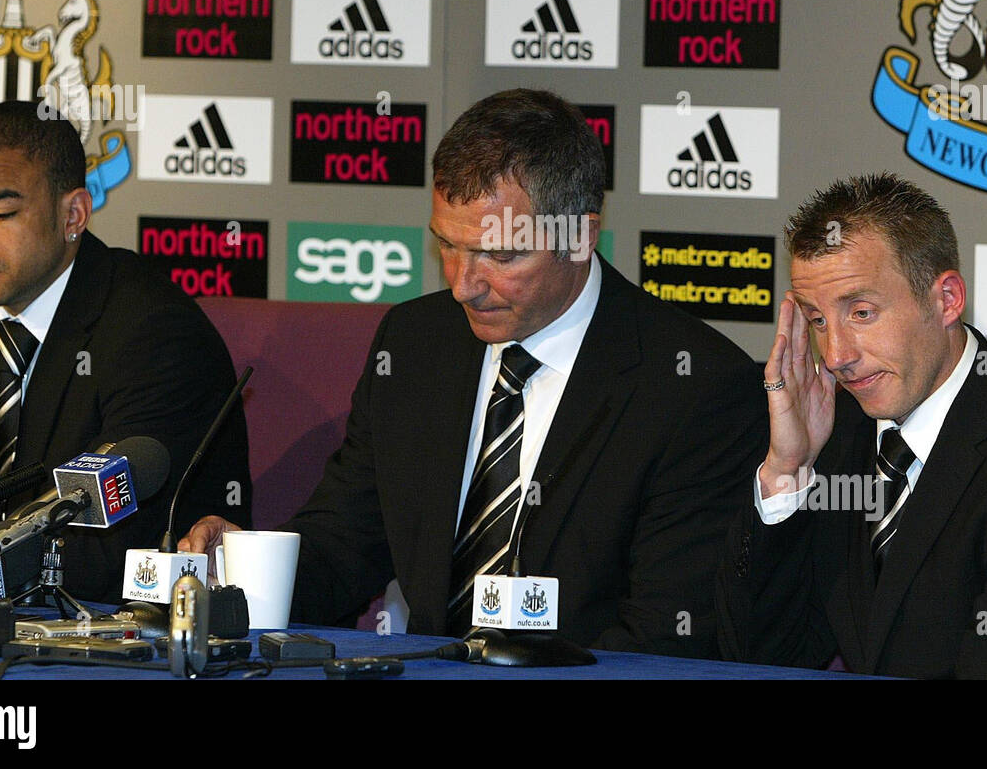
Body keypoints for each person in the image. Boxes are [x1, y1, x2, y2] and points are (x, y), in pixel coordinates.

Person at [183, 88, 766, 657]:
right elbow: (348, 542)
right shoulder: (413, 346)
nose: (463, 284)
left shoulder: (695, 388)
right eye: (448, 247)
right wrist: (246, 570)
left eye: (501, 255)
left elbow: (666, 639)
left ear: (581, 236)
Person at [715, 172, 987, 677]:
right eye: (817, 321)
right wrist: (786, 470)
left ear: (946, 299)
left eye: (861, 312)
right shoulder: (838, 436)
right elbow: (759, 661)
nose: (836, 356)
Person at [0, 100, 251, 602]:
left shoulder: (155, 329)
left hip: (122, 634)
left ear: (72, 213)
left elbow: (112, 549)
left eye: (1, 212)